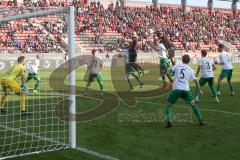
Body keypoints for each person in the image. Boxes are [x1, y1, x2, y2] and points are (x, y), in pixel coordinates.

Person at [165, 54, 205, 128]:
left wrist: (171, 80)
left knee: (168, 105)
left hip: (176, 89)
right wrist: (200, 90)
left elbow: (167, 72)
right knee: (193, 105)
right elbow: (196, 81)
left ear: (182, 59)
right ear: (189, 61)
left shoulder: (177, 66)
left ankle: (169, 122)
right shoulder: (190, 69)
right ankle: (201, 121)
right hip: (186, 91)